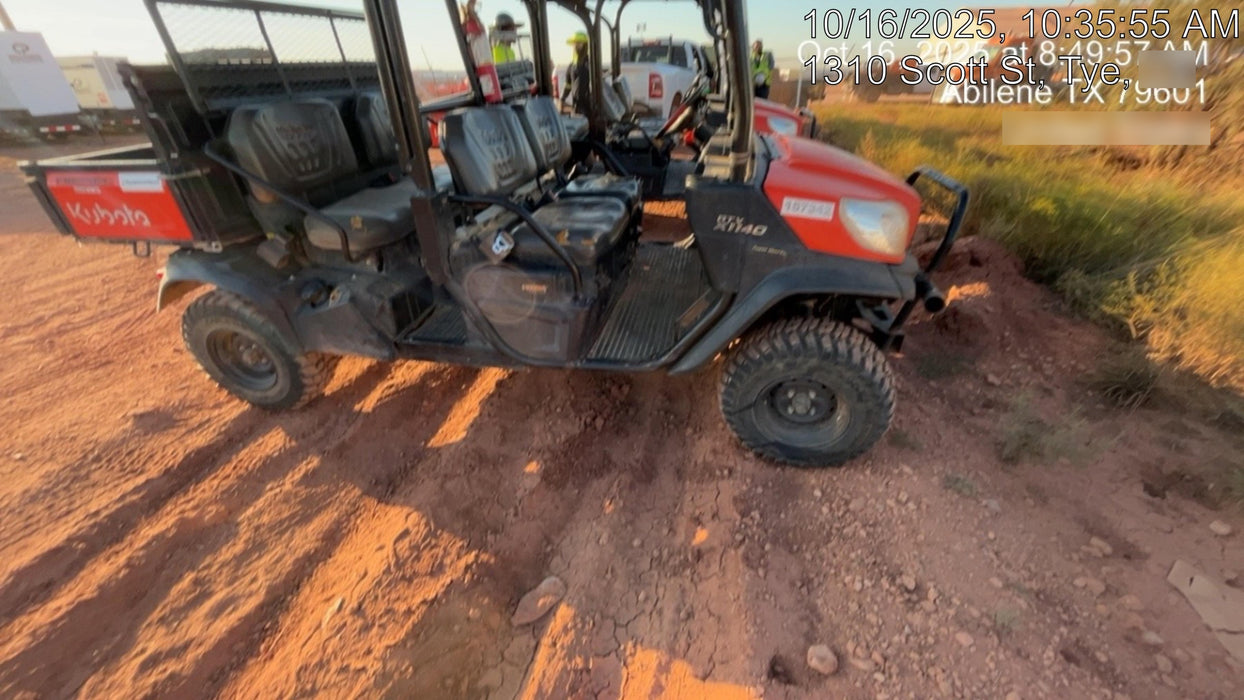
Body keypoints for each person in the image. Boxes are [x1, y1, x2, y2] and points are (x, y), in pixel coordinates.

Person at [562, 31, 591, 115]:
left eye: (579, 43)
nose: (576, 46)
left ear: (585, 45)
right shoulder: (571, 66)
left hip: (590, 107)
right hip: (577, 107)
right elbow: (568, 85)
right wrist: (562, 99)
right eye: (575, 44)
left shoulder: (591, 63)